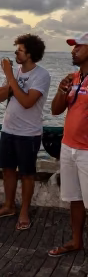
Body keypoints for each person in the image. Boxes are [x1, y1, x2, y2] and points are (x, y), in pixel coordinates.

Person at [0, 34, 50, 231]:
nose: (16, 53)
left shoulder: (41, 76)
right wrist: (10, 79)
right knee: (7, 170)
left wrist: (9, 76)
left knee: (26, 174)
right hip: (8, 129)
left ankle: (24, 211)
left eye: (20, 50)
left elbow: (27, 102)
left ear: (30, 54)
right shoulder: (15, 72)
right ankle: (8, 206)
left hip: (28, 134)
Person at [50, 34, 88, 257]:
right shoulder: (73, 78)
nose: (73, 51)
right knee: (74, 198)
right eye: (73, 48)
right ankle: (76, 241)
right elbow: (56, 111)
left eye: (78, 47)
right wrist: (61, 91)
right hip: (68, 147)